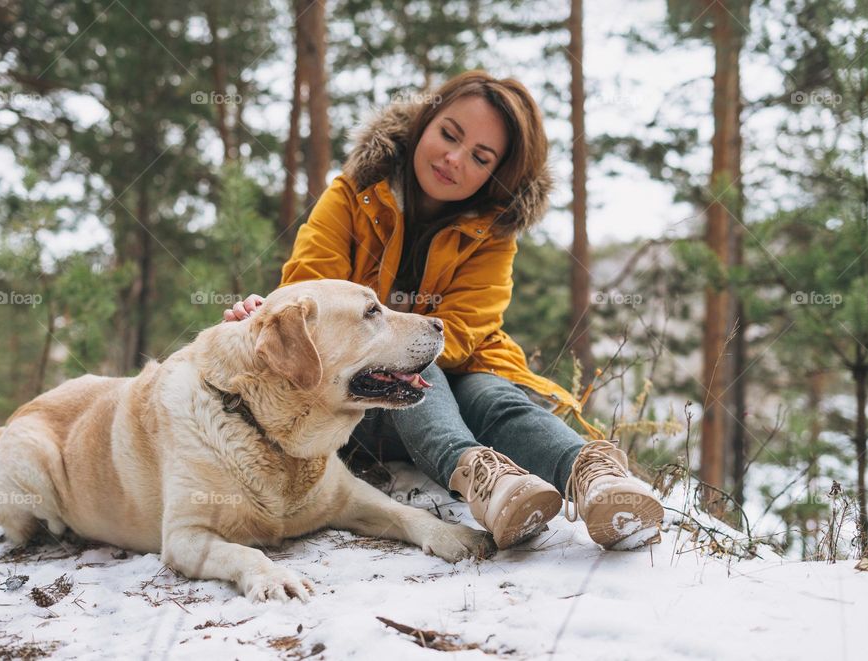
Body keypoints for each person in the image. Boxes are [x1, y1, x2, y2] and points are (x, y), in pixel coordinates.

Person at [224, 71, 664, 551]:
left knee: (493, 395)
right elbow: (307, 285)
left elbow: (463, 330)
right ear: (424, 123)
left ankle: (592, 476)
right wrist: (270, 317)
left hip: (461, 375)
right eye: (449, 134)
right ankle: (481, 478)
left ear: (499, 174)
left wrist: (410, 344)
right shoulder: (351, 195)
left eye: (480, 157)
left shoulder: (494, 235)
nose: (454, 159)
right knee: (415, 355)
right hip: (355, 396)